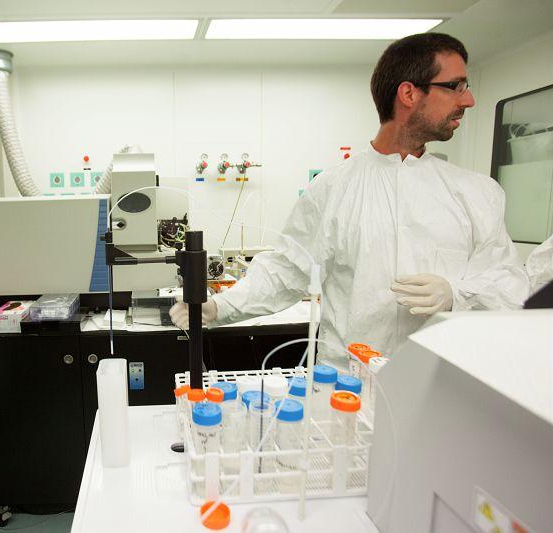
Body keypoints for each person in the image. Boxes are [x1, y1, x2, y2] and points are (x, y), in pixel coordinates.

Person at [171, 33, 529, 367]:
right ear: (408, 93)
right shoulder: (333, 188)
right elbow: (287, 271)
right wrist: (217, 307)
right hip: (346, 387)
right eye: (455, 86)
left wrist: (456, 294)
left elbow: (510, 287)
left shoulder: (476, 194)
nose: (468, 100)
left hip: (440, 386)